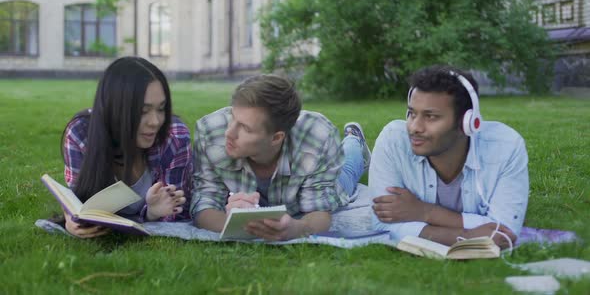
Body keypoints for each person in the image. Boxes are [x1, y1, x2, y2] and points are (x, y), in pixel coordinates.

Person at [190, 74, 371, 241]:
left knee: (347, 178)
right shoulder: (211, 133)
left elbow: (319, 211)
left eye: (245, 128)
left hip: (310, 180)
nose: (229, 133)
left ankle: (354, 142)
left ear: (276, 138)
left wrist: (297, 228)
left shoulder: (318, 138)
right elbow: (204, 203)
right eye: (232, 117)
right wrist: (236, 225)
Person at [370, 65, 529, 249]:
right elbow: (382, 224)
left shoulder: (506, 147)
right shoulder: (393, 140)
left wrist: (424, 212)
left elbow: (505, 232)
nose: (414, 127)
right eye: (412, 113)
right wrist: (466, 236)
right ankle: (355, 145)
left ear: (467, 123)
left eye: (431, 117)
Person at [61, 56, 193, 238]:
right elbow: (78, 202)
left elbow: (175, 214)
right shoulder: (81, 134)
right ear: (116, 109)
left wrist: (151, 214)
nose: (155, 122)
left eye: (161, 109)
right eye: (142, 111)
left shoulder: (174, 137)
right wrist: (70, 218)